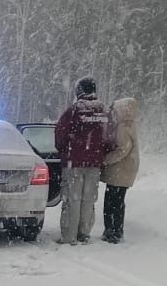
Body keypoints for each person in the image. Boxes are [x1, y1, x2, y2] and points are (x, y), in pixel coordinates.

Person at [53, 77, 108, 244]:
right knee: (88, 200)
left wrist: (66, 151)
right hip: (94, 164)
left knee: (72, 199)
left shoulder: (73, 111)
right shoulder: (104, 112)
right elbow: (110, 137)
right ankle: (84, 233)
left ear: (79, 91)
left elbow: (60, 136)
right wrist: (99, 153)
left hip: (74, 163)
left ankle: (69, 236)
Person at [100, 98, 139, 243]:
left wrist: (105, 160)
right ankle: (115, 231)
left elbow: (122, 150)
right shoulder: (130, 125)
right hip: (124, 170)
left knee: (112, 201)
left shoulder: (123, 127)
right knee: (118, 201)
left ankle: (113, 232)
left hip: (119, 171)